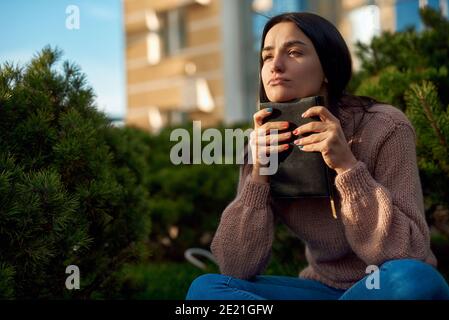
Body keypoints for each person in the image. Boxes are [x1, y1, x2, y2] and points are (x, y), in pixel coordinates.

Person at [186, 12, 449, 300]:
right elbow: (235, 266)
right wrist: (258, 177)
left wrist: (347, 168)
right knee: (207, 289)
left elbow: (406, 253)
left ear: (327, 69)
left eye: (294, 52)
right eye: (266, 56)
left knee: (417, 279)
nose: (275, 65)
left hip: (381, 285)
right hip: (319, 290)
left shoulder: (385, 127)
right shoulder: (262, 143)